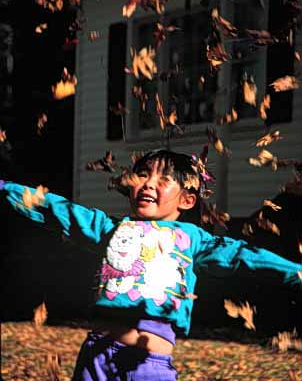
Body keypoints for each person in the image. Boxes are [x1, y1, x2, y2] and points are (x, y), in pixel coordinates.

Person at [1, 149, 301, 381]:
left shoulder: (192, 238)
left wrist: (295, 272)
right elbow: (57, 209)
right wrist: (4, 188)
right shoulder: (109, 228)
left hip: (148, 366)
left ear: (186, 199)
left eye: (163, 179)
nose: (147, 184)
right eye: (142, 175)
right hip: (97, 358)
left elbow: (242, 256)